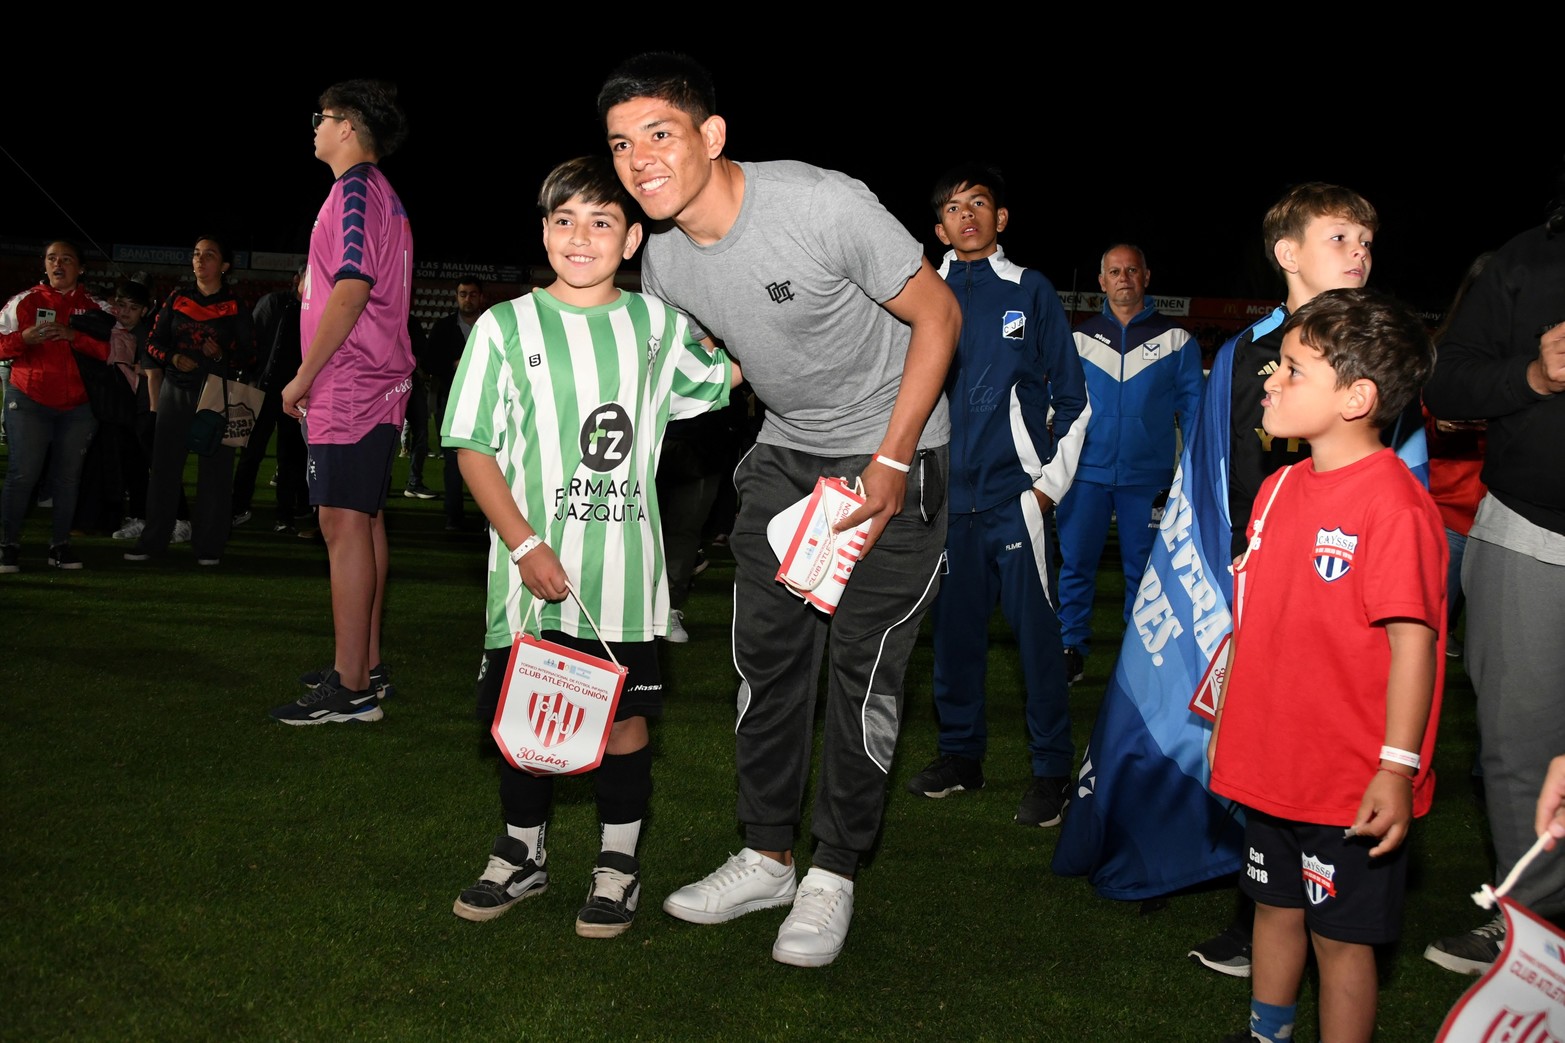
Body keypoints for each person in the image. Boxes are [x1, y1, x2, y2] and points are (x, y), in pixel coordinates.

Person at [600, 53, 960, 968]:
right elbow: (725, 361)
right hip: (785, 457)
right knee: (765, 666)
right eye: (621, 144)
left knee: (862, 675)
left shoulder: (819, 203)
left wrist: (889, 457)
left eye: (658, 134)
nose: (638, 159)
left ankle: (834, 869)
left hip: (894, 454)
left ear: (712, 135)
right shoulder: (665, 260)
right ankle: (766, 855)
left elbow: (940, 316)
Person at [442, 155, 736, 939]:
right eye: (565, 220)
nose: (581, 237)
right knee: (528, 716)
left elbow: (726, 375)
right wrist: (524, 543)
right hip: (530, 573)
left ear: (632, 239)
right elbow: (471, 445)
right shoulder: (504, 327)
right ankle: (522, 852)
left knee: (622, 721)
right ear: (544, 232)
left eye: (602, 222)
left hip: (623, 578)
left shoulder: (656, 326)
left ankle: (617, 865)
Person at [1208, 287, 1445, 1043]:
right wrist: (1227, 720)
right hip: (1270, 764)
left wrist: (1395, 768)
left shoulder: (1393, 504)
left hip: (1347, 784)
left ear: (1356, 398)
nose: (1270, 380)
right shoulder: (1276, 488)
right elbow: (1251, 623)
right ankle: (1267, 1033)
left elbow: (1414, 644)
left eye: (1292, 369)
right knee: (1273, 910)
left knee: (1340, 942)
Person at [903, 164, 1089, 828]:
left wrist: (1045, 490)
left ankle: (1052, 771)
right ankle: (961, 757)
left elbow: (1074, 399)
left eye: (978, 203)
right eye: (953, 207)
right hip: (945, 506)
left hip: (1016, 502)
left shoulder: (1030, 290)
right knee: (954, 642)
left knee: (1038, 643)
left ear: (1000, 217)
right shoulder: (919, 292)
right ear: (938, 227)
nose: (967, 215)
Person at [1421, 188, 1565, 975]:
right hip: (1531, 531)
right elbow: (1447, 384)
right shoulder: (1525, 258)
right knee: (1520, 745)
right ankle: (1533, 927)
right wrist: (1533, 376)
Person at [270, 80, 414, 725]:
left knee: (341, 524)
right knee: (365, 519)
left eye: (321, 118)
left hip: (350, 381)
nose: (315, 128)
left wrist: (304, 375)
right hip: (374, 377)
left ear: (347, 126)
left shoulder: (355, 190)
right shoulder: (380, 194)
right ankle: (364, 665)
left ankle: (351, 687)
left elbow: (354, 285)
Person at [1057, 243, 1204, 682]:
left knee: (1146, 573)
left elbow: (1194, 414)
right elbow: (1060, 407)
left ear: (1146, 276)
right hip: (1085, 475)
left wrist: (1191, 474)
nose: (1124, 278)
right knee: (1076, 564)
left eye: (1132, 270)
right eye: (1115, 271)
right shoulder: (1078, 340)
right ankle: (1070, 647)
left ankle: (1139, 658)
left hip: (1149, 478)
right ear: (1101, 281)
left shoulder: (1176, 340)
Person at [124, 237, 256, 566]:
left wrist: (222, 355)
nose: (200, 260)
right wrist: (173, 357)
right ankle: (153, 540)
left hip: (218, 394)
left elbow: (252, 355)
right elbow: (152, 343)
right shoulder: (177, 297)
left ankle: (209, 546)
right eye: (197, 254)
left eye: (209, 255)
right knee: (164, 470)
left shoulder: (236, 305)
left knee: (216, 474)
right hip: (176, 391)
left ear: (225, 266)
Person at [0, 239, 112, 572]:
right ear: (44, 265)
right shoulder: (23, 301)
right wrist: (24, 339)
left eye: (66, 259)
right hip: (29, 399)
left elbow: (116, 352)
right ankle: (7, 545)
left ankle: (60, 546)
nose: (58, 264)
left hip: (78, 406)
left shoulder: (98, 308)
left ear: (81, 268)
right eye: (51, 258)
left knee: (67, 479)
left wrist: (75, 337)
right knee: (23, 474)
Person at [233, 267, 310, 534]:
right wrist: (249, 379)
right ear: (297, 280)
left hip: (296, 395)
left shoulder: (319, 310)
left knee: (291, 458)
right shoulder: (273, 302)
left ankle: (285, 515)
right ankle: (238, 507)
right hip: (264, 390)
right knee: (250, 453)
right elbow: (251, 343)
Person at [418, 276, 486, 529]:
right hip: (450, 401)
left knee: (488, 461)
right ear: (456, 297)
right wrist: (453, 365)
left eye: (472, 294)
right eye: (463, 294)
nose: (468, 299)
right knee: (453, 461)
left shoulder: (492, 324)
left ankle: (488, 517)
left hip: (487, 403)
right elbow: (427, 363)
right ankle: (453, 514)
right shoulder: (444, 327)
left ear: (481, 297)